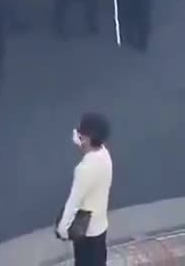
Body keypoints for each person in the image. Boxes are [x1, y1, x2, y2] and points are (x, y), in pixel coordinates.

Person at [57, 112, 114, 266]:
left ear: (87, 138)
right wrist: (80, 142)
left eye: (81, 135)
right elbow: (89, 150)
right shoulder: (105, 155)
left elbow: (74, 201)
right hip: (100, 227)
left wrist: (63, 228)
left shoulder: (84, 169)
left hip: (86, 233)